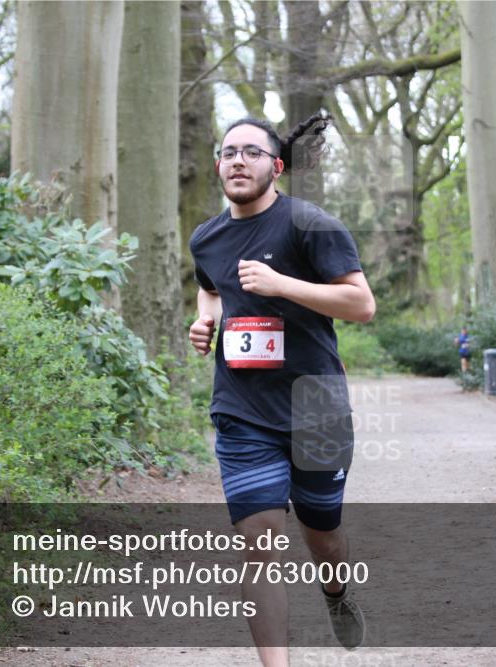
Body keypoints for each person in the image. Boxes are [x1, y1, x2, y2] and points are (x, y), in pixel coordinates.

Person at [188, 112, 375, 666]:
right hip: (242, 408)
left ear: (278, 165)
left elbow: (361, 304)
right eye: (228, 152)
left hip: (316, 405)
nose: (237, 160)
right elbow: (211, 288)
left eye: (251, 151)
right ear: (217, 166)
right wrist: (206, 322)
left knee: (324, 537)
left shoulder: (309, 225)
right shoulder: (207, 238)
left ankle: (336, 593)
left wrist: (282, 285)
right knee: (259, 544)